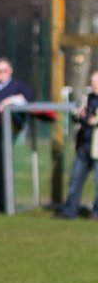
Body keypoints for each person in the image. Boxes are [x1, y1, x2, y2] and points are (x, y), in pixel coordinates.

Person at [0, 58, 33, 213]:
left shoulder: (17, 86)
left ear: (10, 71)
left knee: (1, 167)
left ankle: (2, 203)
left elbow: (28, 97)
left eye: (3, 71)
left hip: (2, 131)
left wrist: (9, 100)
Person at [59, 69, 98, 220]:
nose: (94, 85)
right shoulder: (86, 98)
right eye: (93, 82)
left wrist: (92, 120)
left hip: (97, 149)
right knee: (75, 180)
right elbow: (77, 115)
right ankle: (70, 211)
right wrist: (80, 116)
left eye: (97, 83)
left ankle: (96, 213)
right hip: (83, 146)